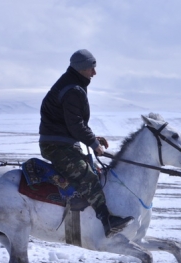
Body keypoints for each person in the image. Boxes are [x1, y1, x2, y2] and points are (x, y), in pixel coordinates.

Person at [38, 49, 133, 238]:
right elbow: (75, 124)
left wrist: (93, 139)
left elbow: (71, 122)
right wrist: (92, 142)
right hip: (56, 146)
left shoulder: (72, 85)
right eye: (92, 68)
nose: (94, 73)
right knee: (87, 176)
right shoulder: (73, 89)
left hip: (61, 142)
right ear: (82, 68)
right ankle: (107, 221)